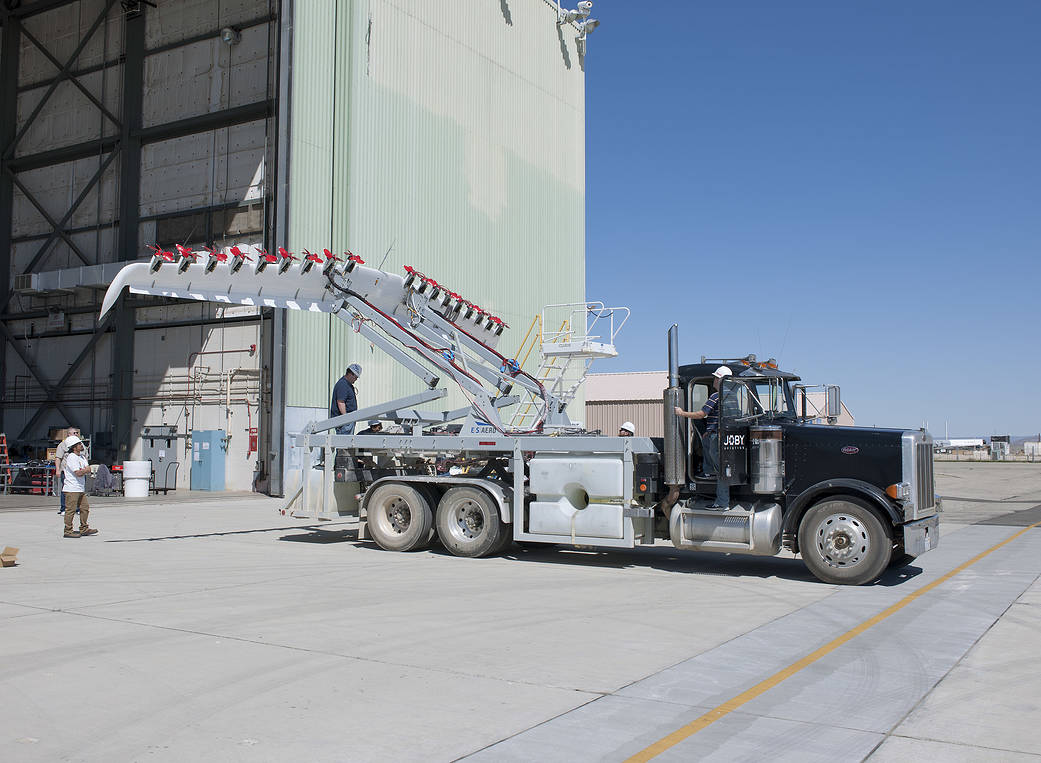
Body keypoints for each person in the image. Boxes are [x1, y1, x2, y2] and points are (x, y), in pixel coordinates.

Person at [674, 365, 732, 509]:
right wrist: (710, 429)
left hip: (716, 437)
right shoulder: (731, 397)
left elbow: (702, 414)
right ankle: (707, 472)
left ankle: (722, 502)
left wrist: (682, 413)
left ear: (720, 380)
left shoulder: (715, 396)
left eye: (716, 378)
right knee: (707, 444)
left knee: (720, 471)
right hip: (718, 435)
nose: (714, 380)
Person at [61, 437, 96, 538]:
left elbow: (88, 469)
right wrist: (86, 470)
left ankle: (84, 528)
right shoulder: (72, 457)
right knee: (70, 510)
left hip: (80, 488)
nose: (82, 445)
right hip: (71, 488)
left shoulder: (82, 457)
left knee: (85, 508)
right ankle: (68, 530)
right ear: (74, 447)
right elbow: (79, 473)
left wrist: (85, 470)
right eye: (79, 444)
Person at [54, 428, 81, 514]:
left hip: (78, 472)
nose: (76, 434)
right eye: (74, 433)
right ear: (69, 434)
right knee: (66, 490)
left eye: (77, 433)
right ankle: (63, 508)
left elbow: (84, 457)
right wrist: (57, 470)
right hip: (66, 471)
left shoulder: (81, 445)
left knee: (78, 490)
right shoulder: (63, 445)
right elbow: (58, 458)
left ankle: (77, 508)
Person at [330, 363, 362, 435]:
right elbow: (341, 402)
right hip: (345, 422)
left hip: (348, 420)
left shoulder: (347, 384)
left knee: (346, 444)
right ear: (350, 374)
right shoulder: (343, 384)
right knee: (344, 443)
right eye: (355, 377)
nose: (356, 379)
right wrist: (346, 418)